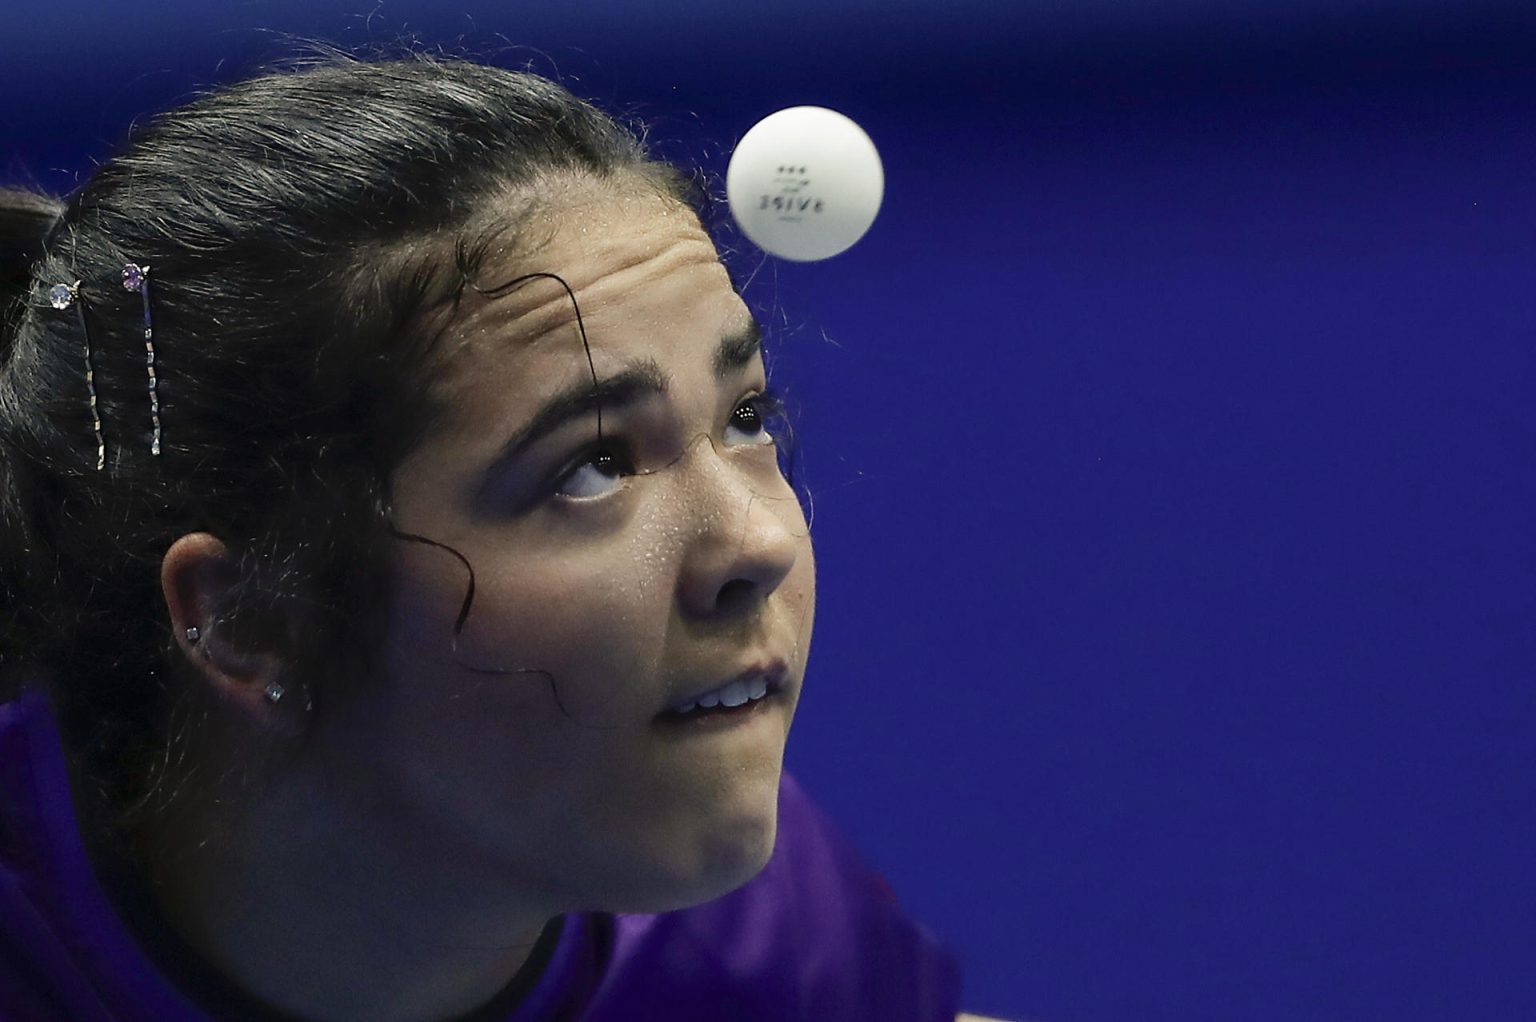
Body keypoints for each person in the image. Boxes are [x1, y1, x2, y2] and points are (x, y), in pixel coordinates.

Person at [0, 54, 966, 1021]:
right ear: (250, 622)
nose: (759, 544)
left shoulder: (758, 950)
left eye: (746, 414)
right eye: (589, 467)